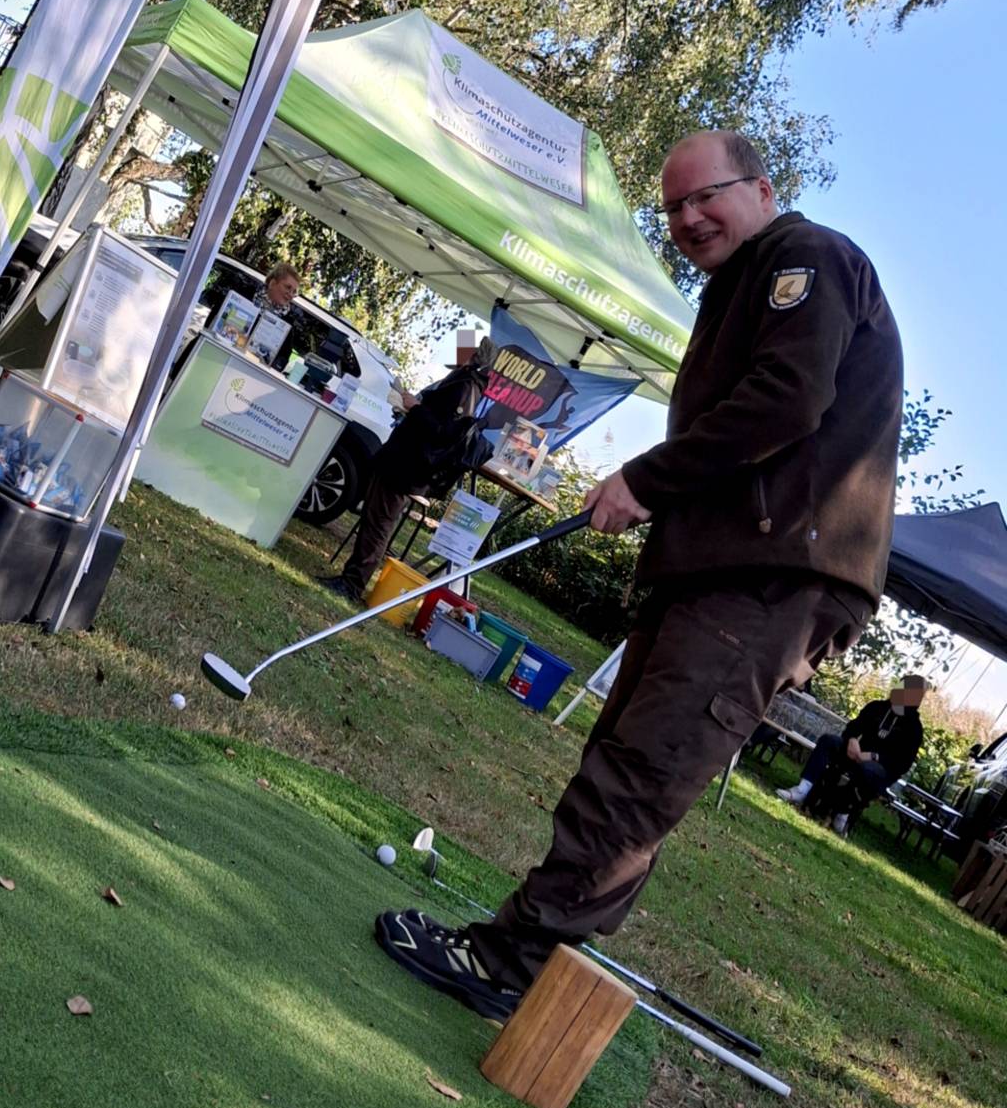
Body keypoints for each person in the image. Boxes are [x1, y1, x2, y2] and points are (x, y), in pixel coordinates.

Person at [376, 129, 904, 1019]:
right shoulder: (745, 282)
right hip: (732, 566)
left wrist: (644, 480)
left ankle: (508, 964)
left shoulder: (804, 258)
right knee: (631, 763)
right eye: (673, 209)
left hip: (772, 572)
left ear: (764, 189)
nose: (689, 218)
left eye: (707, 196)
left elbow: (785, 402)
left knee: (642, 769)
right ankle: (532, 964)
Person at [319, 340, 494, 603]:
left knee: (378, 525)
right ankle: (350, 578)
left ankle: (353, 584)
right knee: (373, 519)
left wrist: (415, 407)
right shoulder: (462, 380)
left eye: (464, 347)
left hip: (410, 465)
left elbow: (444, 433)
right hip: (401, 457)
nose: (458, 349)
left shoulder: (466, 386)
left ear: (474, 356)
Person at [778, 676, 929, 832]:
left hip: (880, 769)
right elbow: (853, 727)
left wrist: (873, 756)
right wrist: (852, 740)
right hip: (855, 754)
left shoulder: (914, 728)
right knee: (829, 741)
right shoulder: (877, 707)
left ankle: (843, 813)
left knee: (867, 769)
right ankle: (802, 790)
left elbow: (902, 763)